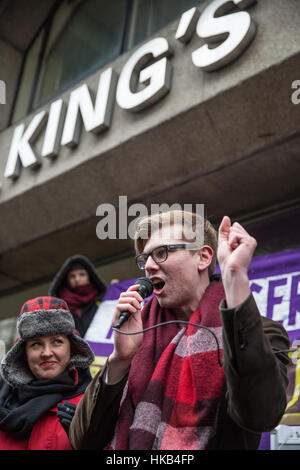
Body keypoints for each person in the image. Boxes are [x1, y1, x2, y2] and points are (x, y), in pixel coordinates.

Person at [69, 210, 290, 450]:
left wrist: (235, 277)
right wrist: (120, 360)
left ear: (203, 257)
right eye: (145, 259)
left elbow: (261, 415)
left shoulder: (262, 332)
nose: (150, 266)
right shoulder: (137, 333)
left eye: (162, 253)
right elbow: (80, 441)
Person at [0, 296, 94, 450]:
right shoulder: (4, 405)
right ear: (24, 353)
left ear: (72, 348)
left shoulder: (93, 404)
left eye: (57, 341)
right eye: (36, 344)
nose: (47, 353)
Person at [49, 255, 107, 338]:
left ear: (90, 277)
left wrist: (113, 294)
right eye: (72, 276)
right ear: (67, 281)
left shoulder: (104, 301)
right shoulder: (57, 309)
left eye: (82, 274)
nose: (77, 279)